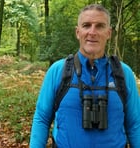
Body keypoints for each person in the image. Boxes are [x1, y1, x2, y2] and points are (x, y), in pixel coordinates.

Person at [30, 4, 140, 148]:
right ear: (78, 32)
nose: (92, 32)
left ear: (109, 33)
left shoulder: (123, 73)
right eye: (86, 25)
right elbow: (42, 119)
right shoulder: (59, 71)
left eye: (100, 26)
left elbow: (135, 124)